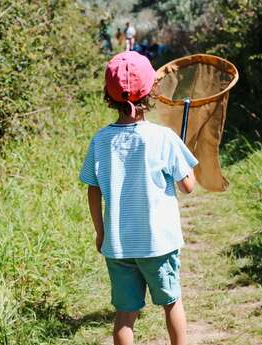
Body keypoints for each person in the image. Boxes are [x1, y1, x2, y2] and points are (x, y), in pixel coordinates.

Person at [79, 51, 198, 345]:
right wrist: (180, 160)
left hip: (118, 246)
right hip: (158, 243)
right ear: (151, 92)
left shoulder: (101, 140)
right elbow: (188, 186)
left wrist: (100, 232)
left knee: (124, 314)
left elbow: (92, 189)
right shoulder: (164, 138)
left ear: (109, 95)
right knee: (171, 302)